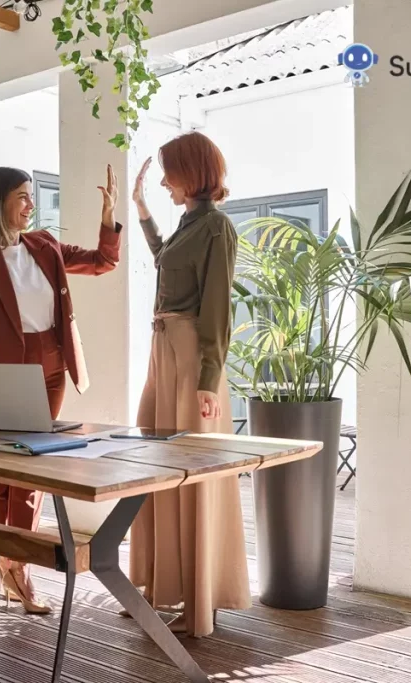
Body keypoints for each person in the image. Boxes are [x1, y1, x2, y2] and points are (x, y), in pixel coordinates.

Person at [0, 165, 121, 614]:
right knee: (1, 473)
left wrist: (109, 217)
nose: (31, 204)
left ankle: (18, 565)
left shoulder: (44, 243)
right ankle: (10, 559)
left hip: (50, 366)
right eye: (22, 196)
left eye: (31, 196)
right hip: (1, 369)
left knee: (32, 470)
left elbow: (102, 262)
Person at [127, 131, 249, 638]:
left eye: (168, 173)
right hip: (164, 354)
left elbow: (217, 308)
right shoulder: (190, 225)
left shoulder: (217, 228)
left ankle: (202, 605)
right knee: (155, 463)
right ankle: (161, 587)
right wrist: (140, 209)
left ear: (191, 172)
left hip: (193, 361)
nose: (162, 182)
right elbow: (166, 262)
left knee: (192, 474)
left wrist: (207, 381)